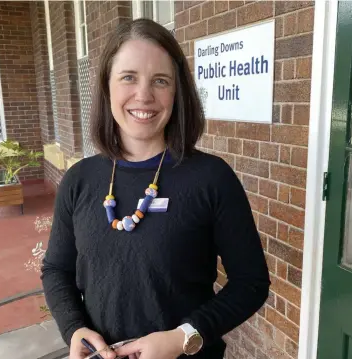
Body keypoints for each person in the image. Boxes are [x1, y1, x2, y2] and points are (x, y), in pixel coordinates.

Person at [41, 18, 270, 359]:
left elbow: (251, 282)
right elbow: (57, 269)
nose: (144, 95)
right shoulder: (80, 179)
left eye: (160, 81)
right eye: (128, 77)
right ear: (107, 86)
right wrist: (74, 329)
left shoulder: (211, 178)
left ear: (177, 92)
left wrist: (182, 337)